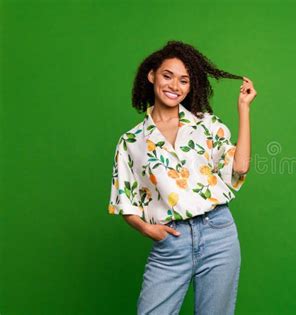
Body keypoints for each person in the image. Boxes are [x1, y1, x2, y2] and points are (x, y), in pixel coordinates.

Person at [107, 40, 257, 315]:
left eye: (184, 81)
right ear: (152, 75)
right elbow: (124, 200)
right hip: (171, 242)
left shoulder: (206, 125)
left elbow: (241, 166)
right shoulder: (131, 141)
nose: (175, 86)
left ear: (190, 87)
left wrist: (243, 109)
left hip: (218, 234)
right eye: (168, 76)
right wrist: (147, 229)